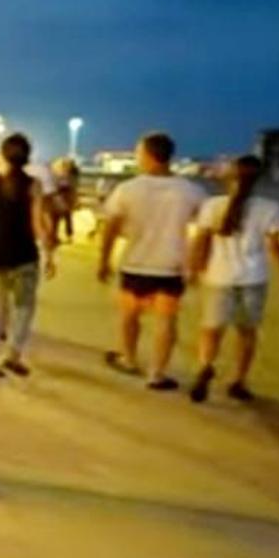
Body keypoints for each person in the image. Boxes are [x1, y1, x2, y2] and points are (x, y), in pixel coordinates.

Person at [96, 132, 208, 390]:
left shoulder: (128, 189)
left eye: (138, 152)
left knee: (130, 315)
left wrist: (103, 260)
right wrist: (198, 263)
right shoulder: (191, 191)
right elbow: (206, 227)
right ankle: (157, 373)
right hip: (171, 265)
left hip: (135, 263)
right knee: (166, 320)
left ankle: (129, 358)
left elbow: (111, 227)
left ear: (147, 155)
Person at [185, 154, 279, 403]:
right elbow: (276, 248)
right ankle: (238, 381)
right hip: (253, 278)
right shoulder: (270, 208)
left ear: (231, 177)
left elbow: (200, 241)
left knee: (211, 329)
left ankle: (205, 366)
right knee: (246, 333)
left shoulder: (212, 205)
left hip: (218, 276)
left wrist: (193, 270)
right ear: (259, 179)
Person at [0, 134, 56, 377]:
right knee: (23, 308)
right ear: (28, 157)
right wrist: (49, 253)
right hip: (23, 255)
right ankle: (13, 355)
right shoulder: (33, 184)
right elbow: (37, 223)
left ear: (2, 154)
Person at [49, 157, 81, 242]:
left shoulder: (67, 176)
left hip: (62, 200)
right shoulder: (70, 176)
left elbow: (66, 187)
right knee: (61, 219)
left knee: (60, 219)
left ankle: (57, 236)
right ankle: (58, 236)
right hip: (62, 200)